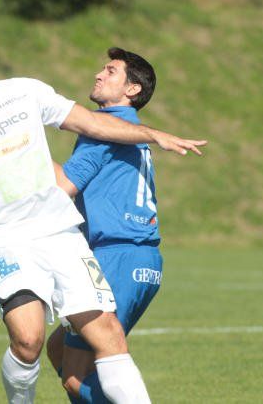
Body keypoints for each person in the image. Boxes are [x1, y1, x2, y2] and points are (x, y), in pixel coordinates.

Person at [0, 27, 205, 403]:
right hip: (6, 238)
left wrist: (153, 134)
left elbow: (93, 122)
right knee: (29, 341)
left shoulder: (26, 90)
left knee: (108, 335)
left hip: (62, 232)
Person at [46, 48, 166, 403]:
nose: (99, 74)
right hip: (137, 258)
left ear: (132, 89)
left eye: (111, 71)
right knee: (58, 349)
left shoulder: (106, 129)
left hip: (116, 258)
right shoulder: (128, 128)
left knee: (76, 375)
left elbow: (63, 186)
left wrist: (24, 147)